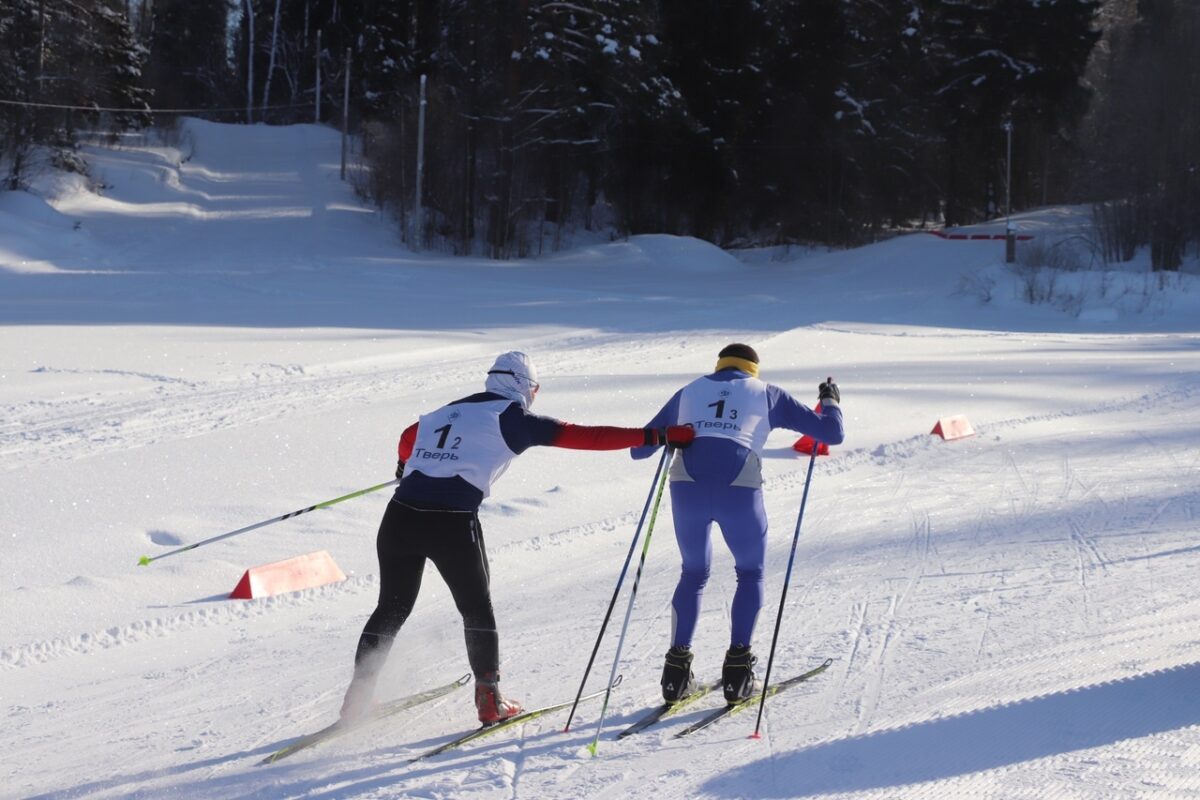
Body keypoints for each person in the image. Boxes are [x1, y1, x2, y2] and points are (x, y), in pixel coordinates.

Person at [341, 351, 695, 725]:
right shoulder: (512, 419)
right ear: (524, 387)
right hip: (451, 522)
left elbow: (407, 438)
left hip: (400, 517)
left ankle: (357, 698)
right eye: (536, 389)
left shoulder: (445, 411)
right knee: (476, 609)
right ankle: (489, 701)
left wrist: (404, 465)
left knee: (392, 607)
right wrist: (656, 435)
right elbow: (585, 436)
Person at [632, 343, 843, 704]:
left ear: (719, 365)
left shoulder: (689, 391)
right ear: (752, 369)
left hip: (688, 489)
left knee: (693, 573)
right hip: (738, 490)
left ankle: (675, 675)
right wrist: (830, 401)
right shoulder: (767, 394)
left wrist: (675, 433)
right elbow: (831, 434)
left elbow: (640, 448)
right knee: (750, 573)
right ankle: (737, 674)